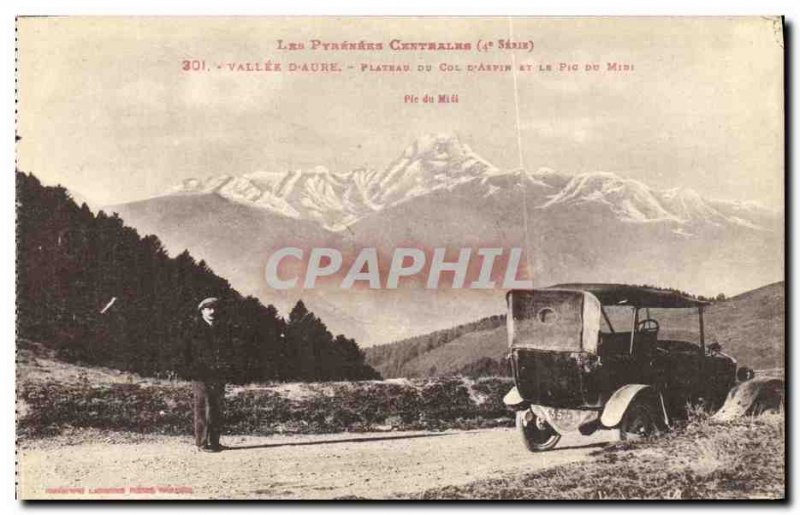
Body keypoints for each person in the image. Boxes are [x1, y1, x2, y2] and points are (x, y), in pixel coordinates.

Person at [183, 297, 234, 453]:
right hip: (200, 374)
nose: (212, 311)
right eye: (208, 308)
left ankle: (215, 442)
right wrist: (190, 370)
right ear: (202, 311)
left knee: (216, 407)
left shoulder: (222, 329)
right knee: (203, 407)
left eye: (215, 308)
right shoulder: (193, 329)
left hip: (218, 374)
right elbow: (186, 352)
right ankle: (202, 443)